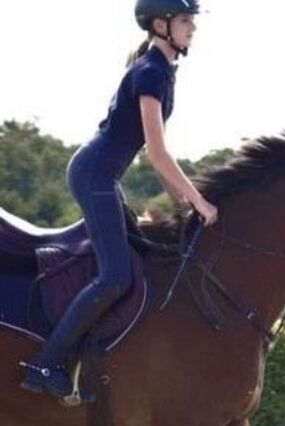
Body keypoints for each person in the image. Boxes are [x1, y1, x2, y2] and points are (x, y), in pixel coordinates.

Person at [19, 0, 218, 403]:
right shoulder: (150, 72)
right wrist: (198, 201)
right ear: (161, 25)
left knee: (134, 261)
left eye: (192, 21)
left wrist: (184, 201)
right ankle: (47, 361)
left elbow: (154, 155)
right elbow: (157, 155)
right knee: (115, 278)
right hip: (95, 176)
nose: (192, 28)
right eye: (185, 21)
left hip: (103, 176)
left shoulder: (160, 70)